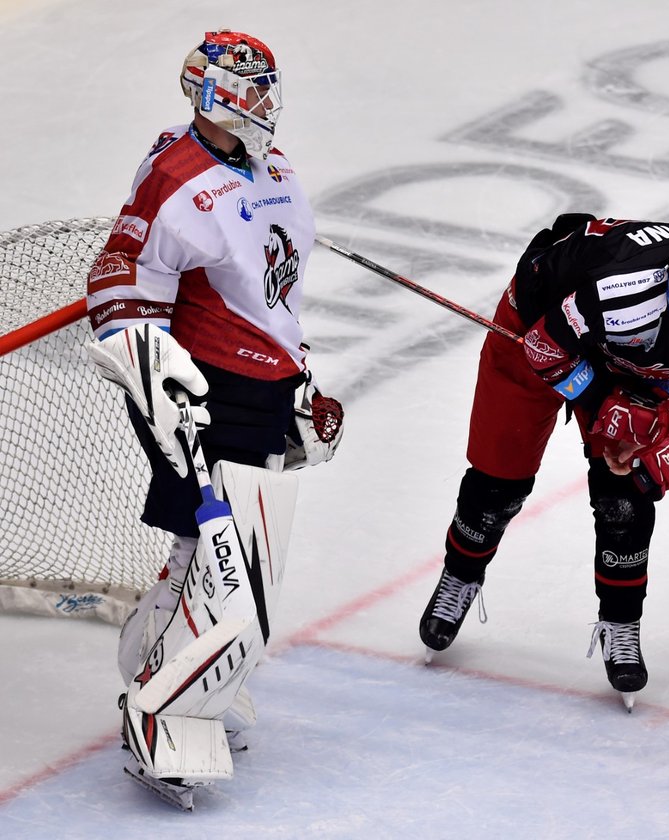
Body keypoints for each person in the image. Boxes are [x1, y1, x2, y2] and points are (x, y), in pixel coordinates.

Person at [85, 30, 343, 805]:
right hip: (201, 390)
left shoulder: (267, 159)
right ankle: (158, 707)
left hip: (263, 386)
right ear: (215, 94)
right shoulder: (175, 177)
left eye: (270, 85)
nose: (270, 101)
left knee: (245, 555)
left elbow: (269, 287)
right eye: (254, 87)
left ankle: (192, 683)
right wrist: (156, 375)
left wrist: (300, 378)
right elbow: (116, 276)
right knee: (212, 550)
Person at [417, 211, 669, 705]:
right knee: (499, 480)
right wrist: (606, 405)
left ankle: (621, 623)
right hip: (538, 329)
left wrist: (662, 413)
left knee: (625, 493)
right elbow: (542, 347)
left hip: (624, 352)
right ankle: (460, 576)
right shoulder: (624, 291)